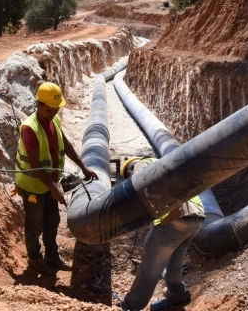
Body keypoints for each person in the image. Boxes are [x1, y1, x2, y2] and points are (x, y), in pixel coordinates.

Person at [15, 81, 98, 275]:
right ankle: (35, 258)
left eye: (55, 110)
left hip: (49, 183)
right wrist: (54, 188)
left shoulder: (54, 120)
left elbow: (66, 145)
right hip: (33, 185)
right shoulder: (30, 128)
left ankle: (52, 256)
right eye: (49, 110)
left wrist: (82, 166)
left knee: (52, 220)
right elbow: (35, 165)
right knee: (35, 223)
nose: (52, 113)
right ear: (38, 104)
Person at [118, 156, 205, 310]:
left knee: (149, 267)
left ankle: (130, 306)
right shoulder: (165, 162)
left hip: (175, 218)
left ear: (129, 168)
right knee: (175, 263)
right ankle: (178, 295)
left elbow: (140, 185)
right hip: (196, 217)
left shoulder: (140, 164)